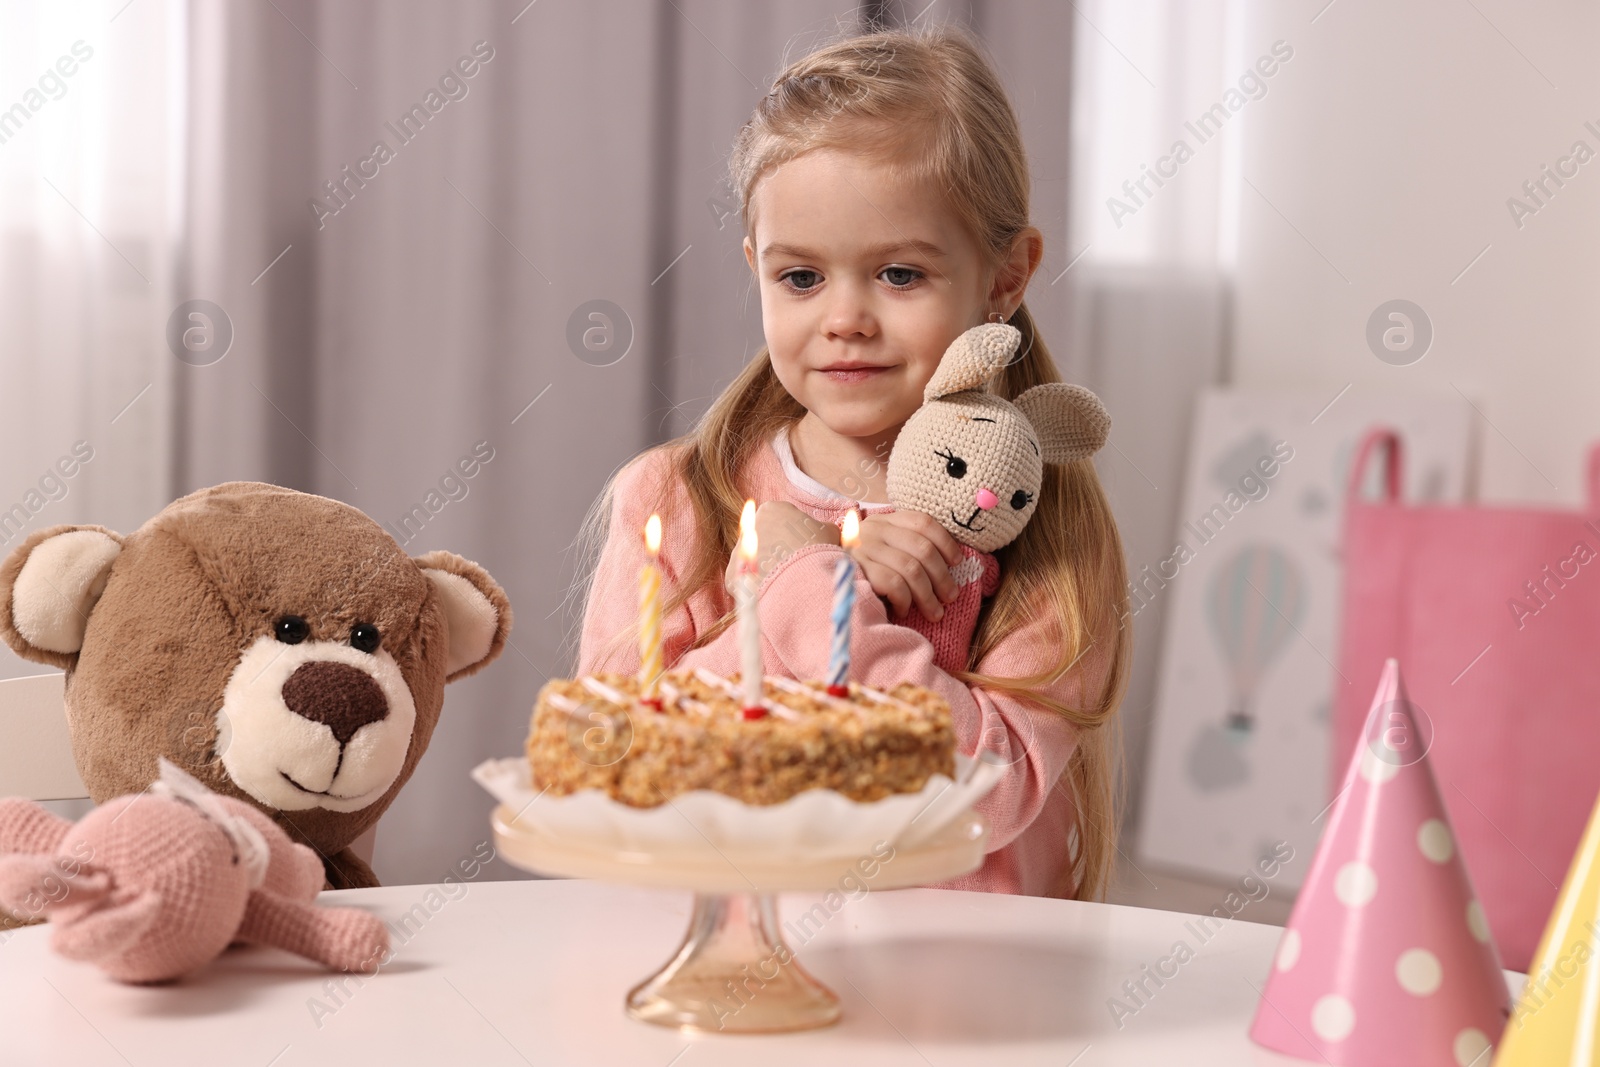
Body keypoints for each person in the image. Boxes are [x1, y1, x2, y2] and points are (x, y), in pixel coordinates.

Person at [574, 24, 1130, 900]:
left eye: (900, 274)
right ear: (757, 268)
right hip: (736, 986)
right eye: (801, 279)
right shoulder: (679, 498)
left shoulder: (1043, 525)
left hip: (959, 1004)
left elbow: (986, 792)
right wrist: (809, 584)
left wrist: (826, 604)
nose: (846, 318)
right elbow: (617, 758)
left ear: (1006, 275)